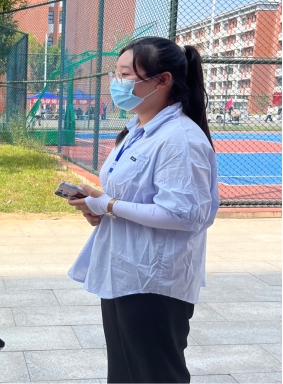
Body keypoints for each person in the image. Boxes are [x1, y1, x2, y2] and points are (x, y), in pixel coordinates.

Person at [66, 37, 218, 384]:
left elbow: (183, 214)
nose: (116, 84)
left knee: (155, 374)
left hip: (155, 282)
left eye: (126, 75)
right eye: (115, 74)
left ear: (162, 80)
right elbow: (134, 197)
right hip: (125, 270)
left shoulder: (180, 139)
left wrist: (110, 205)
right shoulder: (137, 130)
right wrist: (98, 205)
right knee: (125, 373)